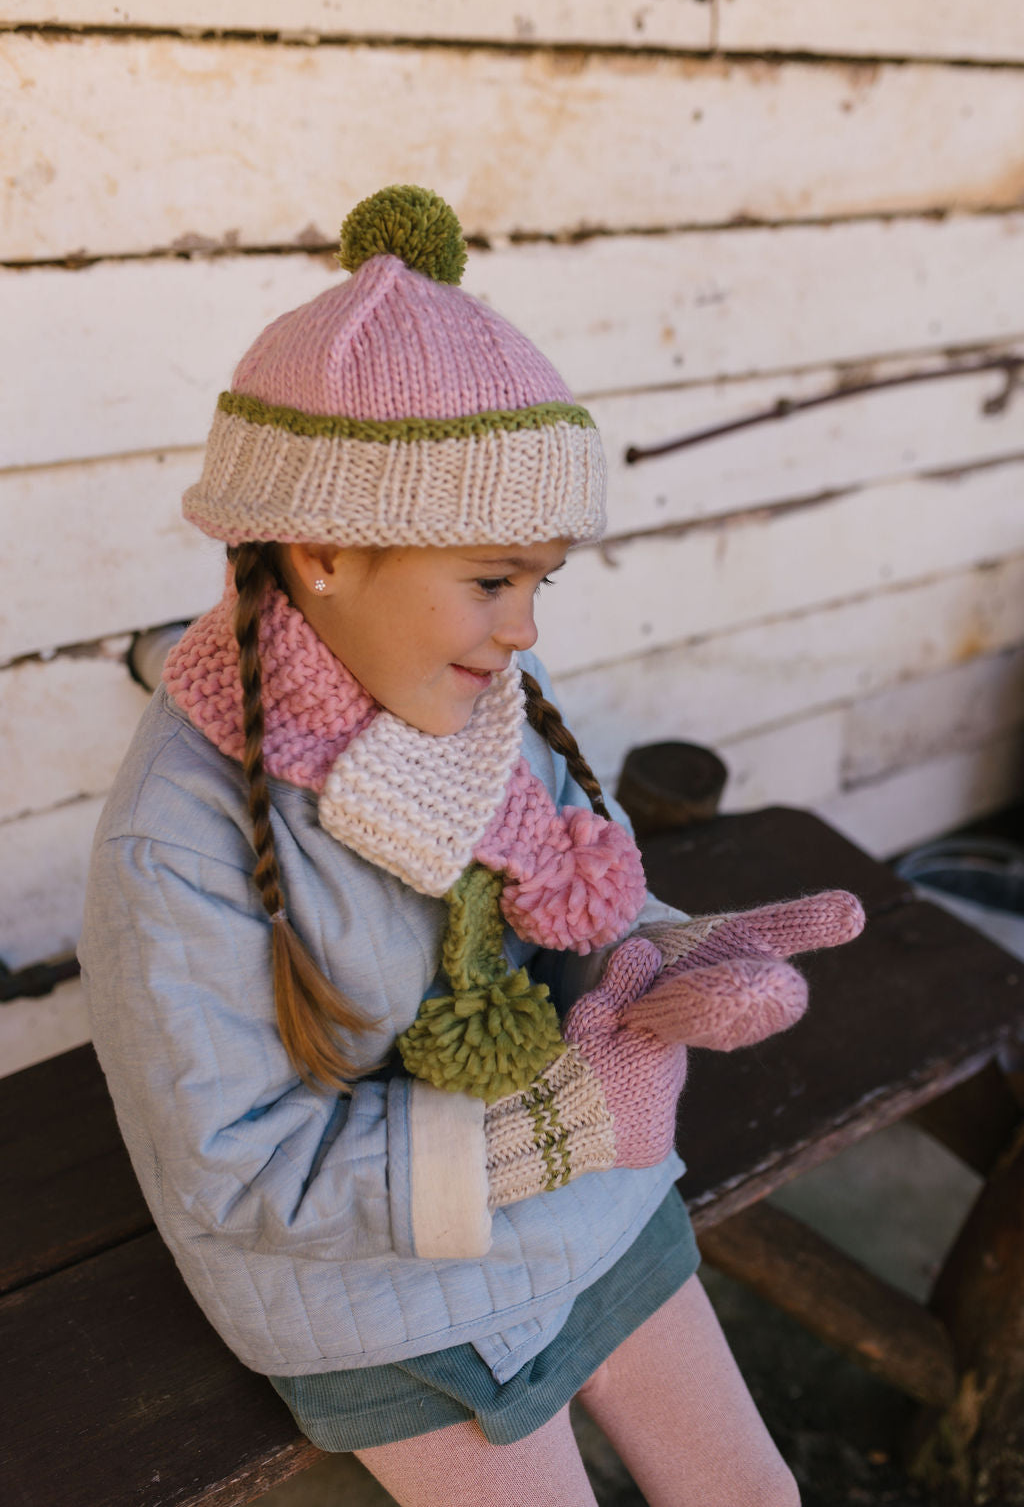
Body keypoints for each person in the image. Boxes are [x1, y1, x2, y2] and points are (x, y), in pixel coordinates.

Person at [80, 185, 864, 1507]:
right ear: (323, 549)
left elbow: (574, 899)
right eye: (494, 579)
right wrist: (547, 1131)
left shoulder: (490, 701)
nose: (526, 628)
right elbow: (240, 1171)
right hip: (374, 1287)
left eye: (541, 580)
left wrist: (662, 955)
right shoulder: (176, 841)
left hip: (585, 1195)